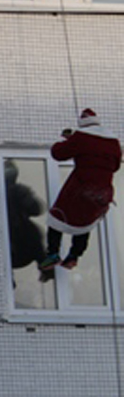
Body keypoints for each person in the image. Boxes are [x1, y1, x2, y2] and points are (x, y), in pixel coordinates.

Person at [38, 109, 122, 276]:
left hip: (80, 187)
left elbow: (58, 154)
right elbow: (116, 165)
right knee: (85, 222)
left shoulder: (81, 137)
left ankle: (53, 253)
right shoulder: (113, 141)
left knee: (57, 217)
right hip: (103, 192)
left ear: (83, 124)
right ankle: (74, 256)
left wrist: (67, 141)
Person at [3, 159, 46, 277]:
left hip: (20, 243)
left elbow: (36, 209)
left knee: (32, 232)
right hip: (12, 241)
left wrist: (23, 194)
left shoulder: (17, 191)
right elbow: (36, 209)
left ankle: (47, 267)